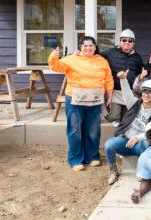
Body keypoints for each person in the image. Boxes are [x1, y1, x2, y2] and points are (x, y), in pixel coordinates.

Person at [48, 36, 113, 171]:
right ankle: (76, 158)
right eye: (85, 46)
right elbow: (56, 66)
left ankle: (92, 156)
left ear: (95, 47)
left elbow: (108, 78)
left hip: (95, 100)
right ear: (80, 47)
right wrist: (54, 56)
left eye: (91, 45)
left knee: (93, 130)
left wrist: (109, 95)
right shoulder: (71, 59)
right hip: (75, 100)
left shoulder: (102, 61)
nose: (88, 48)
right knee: (75, 130)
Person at [104, 70, 151, 185]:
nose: (146, 95)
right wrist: (123, 79)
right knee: (109, 145)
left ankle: (146, 171)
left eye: (150, 93)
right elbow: (126, 94)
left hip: (140, 144)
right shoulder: (135, 104)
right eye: (144, 92)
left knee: (148, 143)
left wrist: (137, 138)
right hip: (126, 141)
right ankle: (113, 171)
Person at [100, 29, 151, 126]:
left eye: (130, 40)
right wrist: (78, 53)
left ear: (133, 43)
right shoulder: (110, 52)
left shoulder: (136, 57)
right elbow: (95, 56)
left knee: (127, 121)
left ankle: (122, 134)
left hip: (129, 93)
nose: (127, 42)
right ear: (120, 41)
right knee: (112, 116)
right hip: (115, 93)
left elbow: (143, 73)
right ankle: (103, 108)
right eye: (124, 40)